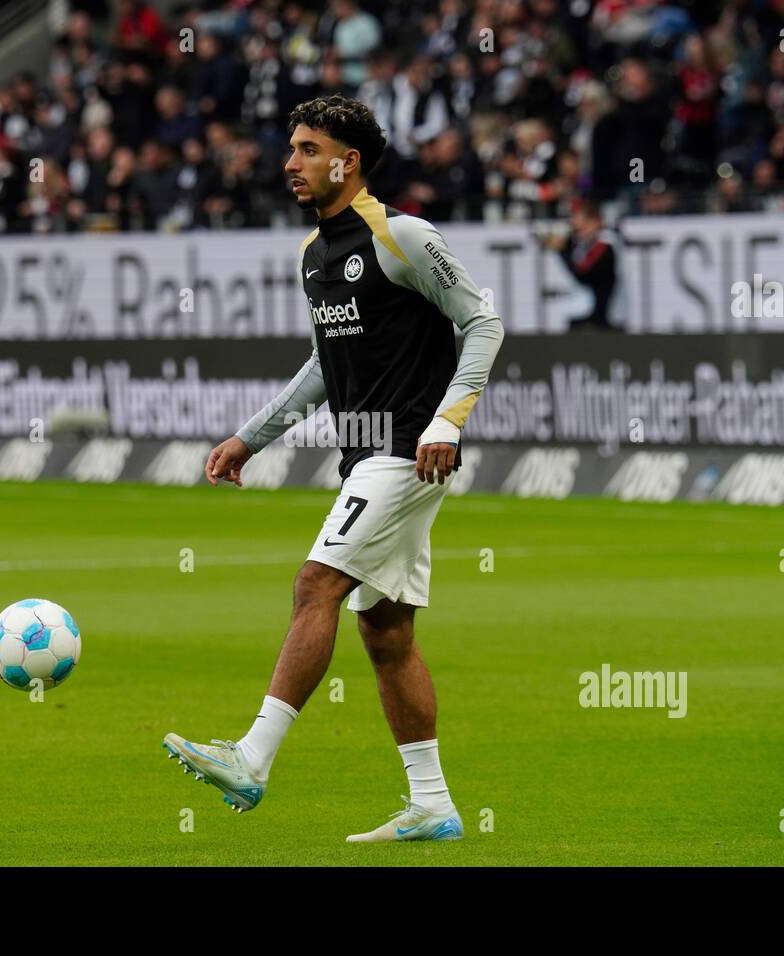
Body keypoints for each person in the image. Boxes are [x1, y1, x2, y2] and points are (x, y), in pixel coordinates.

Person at [163, 94, 504, 843]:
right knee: (386, 633)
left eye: (308, 148)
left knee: (316, 583)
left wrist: (450, 420)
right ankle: (434, 803)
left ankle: (251, 758)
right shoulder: (315, 255)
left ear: (346, 162)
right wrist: (253, 437)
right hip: (366, 454)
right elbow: (326, 362)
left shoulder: (402, 234)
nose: (290, 162)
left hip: (405, 451)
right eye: (292, 148)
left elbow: (482, 320)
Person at [541, 197, 618, 331]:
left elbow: (583, 274)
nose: (577, 227)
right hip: (586, 314)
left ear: (596, 222)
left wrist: (562, 250)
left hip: (602, 319)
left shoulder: (605, 245)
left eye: (583, 224)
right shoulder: (584, 246)